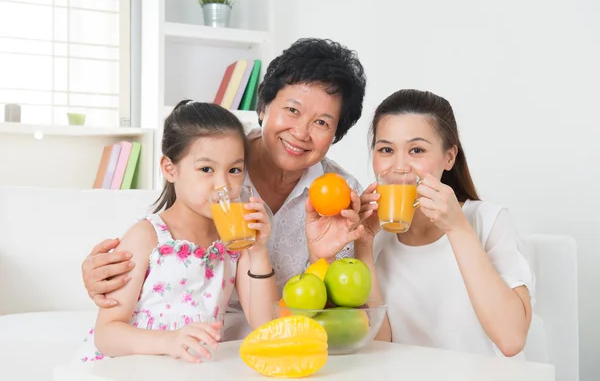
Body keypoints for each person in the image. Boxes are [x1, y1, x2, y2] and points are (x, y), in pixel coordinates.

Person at [79, 38, 368, 339]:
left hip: (266, 336)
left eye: (321, 122)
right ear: (264, 107)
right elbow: (154, 248)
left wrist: (319, 259)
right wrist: (104, 272)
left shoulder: (342, 195)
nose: (300, 132)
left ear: (336, 133)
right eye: (292, 110)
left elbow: (337, 303)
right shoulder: (219, 151)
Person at [75, 101, 277, 363]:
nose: (223, 184)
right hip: (129, 367)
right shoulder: (147, 237)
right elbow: (106, 334)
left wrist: (259, 252)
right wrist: (169, 341)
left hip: (187, 370)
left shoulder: (234, 241)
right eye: (206, 169)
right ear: (170, 169)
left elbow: (267, 326)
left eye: (234, 170)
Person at [354, 89, 535, 358]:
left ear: (449, 157)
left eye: (416, 150)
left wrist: (457, 227)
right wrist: (363, 246)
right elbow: (378, 346)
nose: (400, 166)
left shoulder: (488, 221)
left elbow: (511, 339)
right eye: (386, 149)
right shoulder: (377, 236)